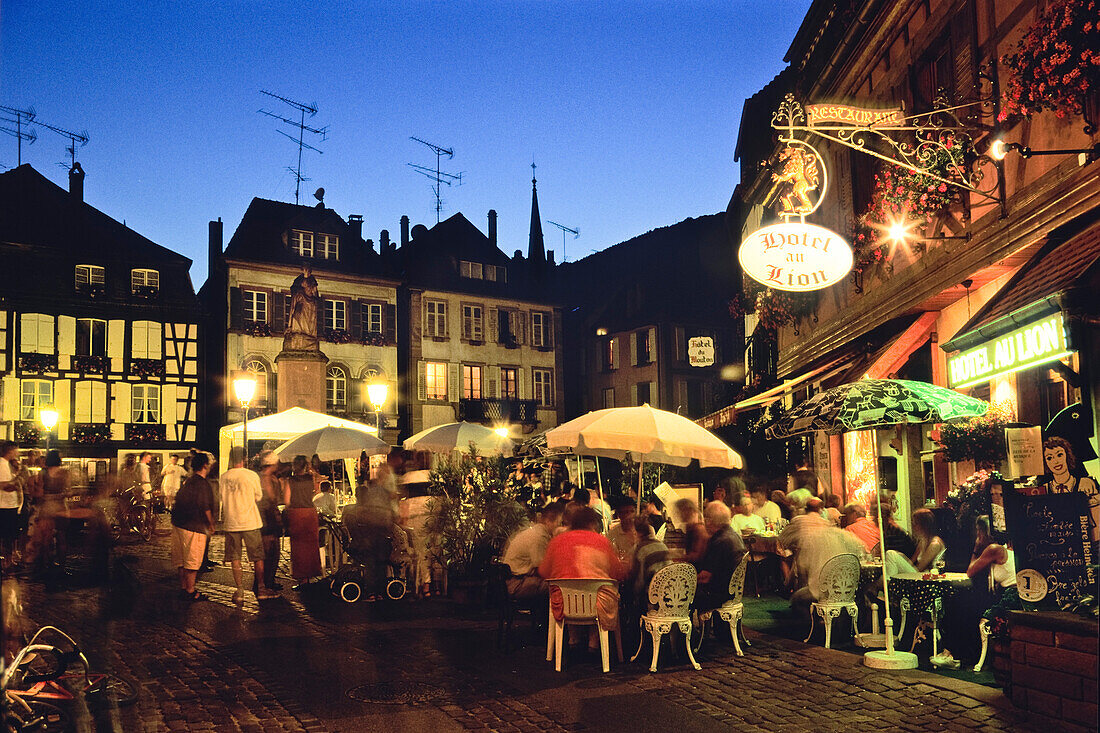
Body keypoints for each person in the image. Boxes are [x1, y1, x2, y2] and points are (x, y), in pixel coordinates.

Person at [220, 447, 274, 604]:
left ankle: (240, 589)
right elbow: (258, 497)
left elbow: (222, 498)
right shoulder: (251, 476)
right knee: (257, 556)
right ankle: (262, 588)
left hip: (231, 522)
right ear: (244, 458)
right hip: (250, 521)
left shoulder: (224, 477)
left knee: (235, 557)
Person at [788, 522, 867, 619]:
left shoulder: (811, 540)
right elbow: (861, 552)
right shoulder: (847, 536)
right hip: (848, 592)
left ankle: (815, 628)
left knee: (797, 598)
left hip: (822, 593)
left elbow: (802, 567)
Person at [170, 452, 215, 601]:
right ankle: (190, 591)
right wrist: (211, 524)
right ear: (205, 466)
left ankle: (184, 587)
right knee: (192, 559)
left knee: (182, 559)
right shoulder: (202, 484)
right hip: (194, 525)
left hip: (178, 523)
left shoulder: (188, 481)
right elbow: (205, 506)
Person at [1041, 437, 1099, 550]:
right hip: (1057, 547)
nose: (1056, 461)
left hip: (1086, 545)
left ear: (1067, 455)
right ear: (1045, 462)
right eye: (1049, 458)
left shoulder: (1085, 484)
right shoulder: (1044, 490)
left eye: (1059, 455)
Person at [502, 501, 564, 599]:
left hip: (518, 580)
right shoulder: (539, 537)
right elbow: (543, 570)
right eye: (559, 523)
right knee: (557, 587)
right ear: (548, 521)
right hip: (517, 583)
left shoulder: (537, 532)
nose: (560, 526)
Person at [693, 502, 746, 612]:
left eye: (705, 518)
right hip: (733, 591)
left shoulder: (719, 541)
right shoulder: (734, 535)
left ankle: (686, 629)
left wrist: (686, 580)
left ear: (709, 521)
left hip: (717, 594)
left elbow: (705, 577)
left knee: (678, 594)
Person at [283, 455, 322, 585]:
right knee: (311, 544)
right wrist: (311, 469)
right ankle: (311, 574)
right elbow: (316, 491)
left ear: (294, 466)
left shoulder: (290, 481)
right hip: (310, 513)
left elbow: (287, 501)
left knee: (298, 546)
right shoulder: (311, 478)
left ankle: (302, 578)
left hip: (296, 513)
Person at [884, 508, 946, 575]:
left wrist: (899, 562)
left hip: (926, 576)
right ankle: (888, 581)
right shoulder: (923, 540)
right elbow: (911, 562)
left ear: (924, 525)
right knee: (893, 556)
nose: (913, 526)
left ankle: (888, 582)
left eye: (916, 523)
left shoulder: (934, 544)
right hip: (917, 572)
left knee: (890, 554)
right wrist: (900, 557)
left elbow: (920, 568)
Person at [255, 451, 283, 594]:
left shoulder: (269, 478)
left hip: (268, 516)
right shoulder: (264, 479)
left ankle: (269, 581)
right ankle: (264, 583)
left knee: (273, 552)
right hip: (265, 518)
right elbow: (271, 499)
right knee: (268, 552)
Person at [284, 265, 321, 352]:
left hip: (310, 302)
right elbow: (293, 289)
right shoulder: (298, 280)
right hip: (300, 300)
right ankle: (297, 331)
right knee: (297, 315)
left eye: (307, 270)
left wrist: (312, 295)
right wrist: (299, 292)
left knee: (309, 318)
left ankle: (308, 334)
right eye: (304, 269)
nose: (306, 271)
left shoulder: (312, 281)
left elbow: (315, 293)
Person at [0, 442, 23, 568]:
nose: (17, 453)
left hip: (9, 505)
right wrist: (14, 485)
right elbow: (3, 485)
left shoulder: (6, 464)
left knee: (9, 535)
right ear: (11, 450)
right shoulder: (3, 464)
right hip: (6, 505)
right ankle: (7, 561)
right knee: (7, 535)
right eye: (16, 450)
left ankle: (7, 560)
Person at [675, 498, 709, 564]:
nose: (679, 514)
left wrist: (676, 556)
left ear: (688, 510)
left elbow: (696, 556)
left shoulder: (699, 529)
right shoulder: (690, 527)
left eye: (680, 511)